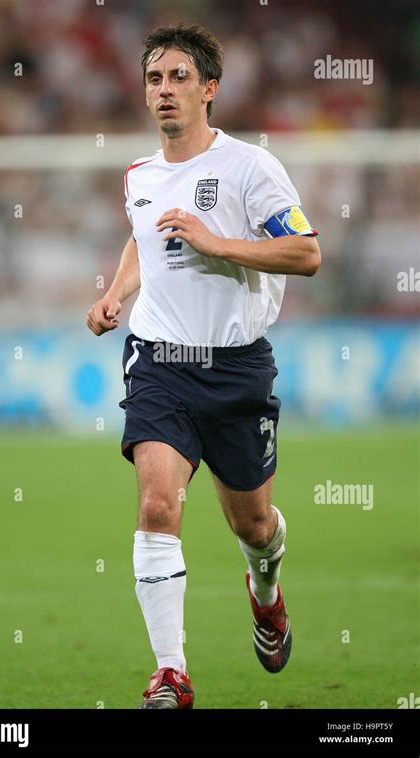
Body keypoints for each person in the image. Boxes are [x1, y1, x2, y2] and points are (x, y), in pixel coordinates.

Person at [86, 23, 321, 709]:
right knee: (158, 504)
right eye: (155, 78)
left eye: (179, 77)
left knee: (253, 526)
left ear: (210, 88)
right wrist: (115, 293)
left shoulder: (252, 169)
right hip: (161, 361)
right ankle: (171, 672)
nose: (165, 90)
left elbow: (306, 252)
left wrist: (216, 242)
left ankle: (267, 591)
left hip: (237, 368)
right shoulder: (139, 175)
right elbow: (144, 240)